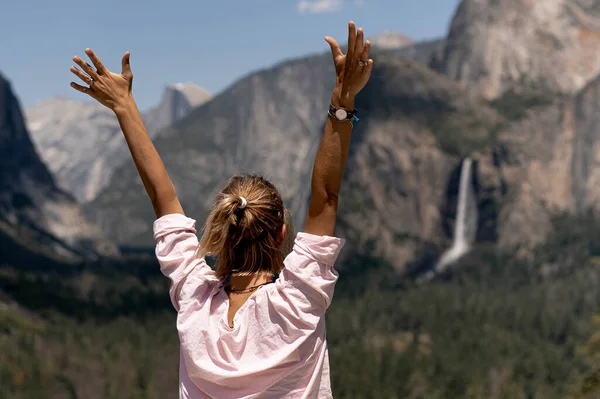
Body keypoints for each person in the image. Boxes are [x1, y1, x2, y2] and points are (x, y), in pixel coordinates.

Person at [70, 20, 373, 399]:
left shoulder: (195, 301)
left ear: (222, 230)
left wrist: (124, 106)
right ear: (281, 234)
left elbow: (162, 197)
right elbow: (325, 196)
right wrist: (342, 103)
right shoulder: (298, 303)